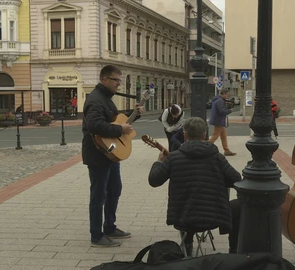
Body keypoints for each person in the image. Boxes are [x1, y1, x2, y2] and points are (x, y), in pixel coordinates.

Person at [148, 117, 241, 256]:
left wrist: (159, 162)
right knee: (238, 206)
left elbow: (154, 180)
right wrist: (219, 180)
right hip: (214, 217)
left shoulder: (173, 158)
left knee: (187, 202)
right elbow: (237, 179)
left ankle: (188, 244)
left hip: (182, 218)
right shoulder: (217, 157)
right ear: (204, 135)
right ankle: (234, 250)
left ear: (184, 136)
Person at [82, 65, 144, 247]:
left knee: (115, 189)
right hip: (98, 154)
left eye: (120, 80)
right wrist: (120, 129)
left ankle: (109, 226)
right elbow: (94, 125)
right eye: (116, 80)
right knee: (99, 194)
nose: (119, 84)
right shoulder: (95, 100)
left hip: (110, 153)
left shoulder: (106, 99)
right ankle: (96, 235)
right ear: (105, 80)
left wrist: (134, 115)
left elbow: (113, 119)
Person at [209, 89, 236, 156]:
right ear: (223, 94)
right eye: (227, 94)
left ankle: (226, 150)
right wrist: (230, 110)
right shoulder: (220, 101)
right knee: (215, 135)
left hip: (218, 120)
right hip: (218, 120)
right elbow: (222, 111)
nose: (228, 96)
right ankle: (205, 148)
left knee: (223, 136)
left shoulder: (218, 100)